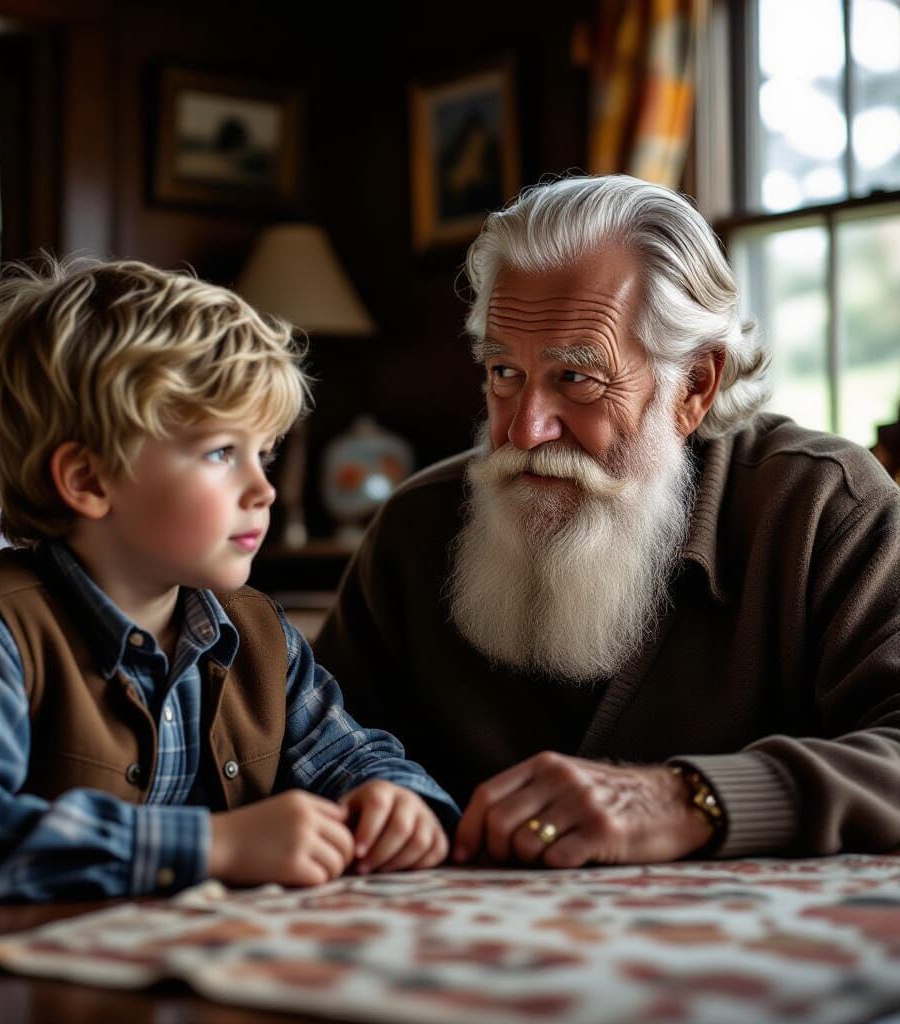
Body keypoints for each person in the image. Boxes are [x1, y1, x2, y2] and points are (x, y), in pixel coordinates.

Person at [315, 175, 900, 868]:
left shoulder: (821, 508)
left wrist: (689, 800)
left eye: (577, 378)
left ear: (695, 385)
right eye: (504, 372)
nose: (526, 431)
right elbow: (307, 749)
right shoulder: (414, 531)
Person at [0, 257, 457, 906]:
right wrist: (216, 845)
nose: (262, 489)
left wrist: (395, 800)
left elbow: (351, 756)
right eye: (219, 453)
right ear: (90, 481)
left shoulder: (257, 631)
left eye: (262, 453)